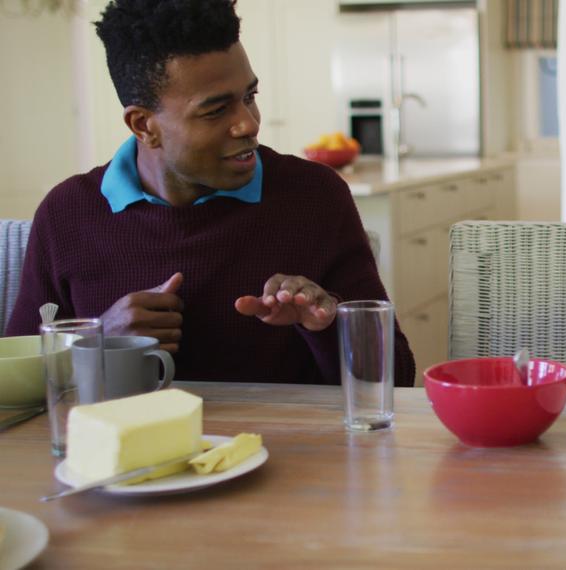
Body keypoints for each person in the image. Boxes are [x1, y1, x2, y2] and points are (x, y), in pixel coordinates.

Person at [4, 0, 415, 386]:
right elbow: (20, 383)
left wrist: (327, 326)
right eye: (216, 110)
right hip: (123, 461)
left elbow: (395, 379)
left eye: (249, 97)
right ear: (143, 125)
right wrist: (96, 343)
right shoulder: (67, 214)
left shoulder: (314, 197)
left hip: (285, 458)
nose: (248, 124)